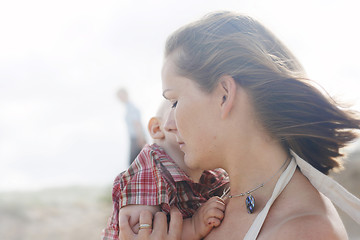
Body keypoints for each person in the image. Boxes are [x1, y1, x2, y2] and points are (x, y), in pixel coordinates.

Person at [119, 11, 360, 239]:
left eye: (174, 101)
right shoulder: (203, 202)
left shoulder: (303, 230)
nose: (168, 124)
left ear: (224, 95)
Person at [102, 101, 229, 240]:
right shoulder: (151, 169)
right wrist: (194, 226)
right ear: (157, 128)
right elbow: (136, 233)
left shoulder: (209, 175)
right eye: (175, 103)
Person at [117, 88, 147, 165]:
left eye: (120, 95)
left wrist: (141, 138)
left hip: (136, 138)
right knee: (138, 162)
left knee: (133, 163)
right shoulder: (128, 107)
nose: (120, 98)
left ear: (125, 94)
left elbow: (137, 124)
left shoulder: (131, 108)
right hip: (135, 138)